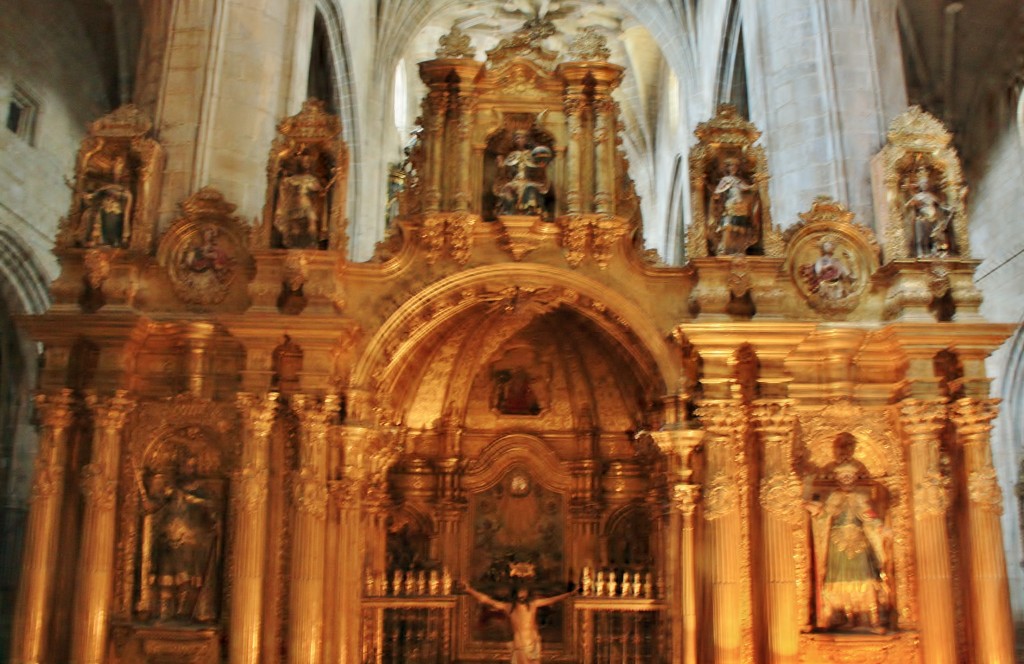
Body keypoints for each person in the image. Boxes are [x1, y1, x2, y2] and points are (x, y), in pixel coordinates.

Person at [805, 462, 890, 632]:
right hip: (837, 544)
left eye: (850, 477)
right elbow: (825, 515)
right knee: (838, 580)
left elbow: (869, 516)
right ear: (838, 479)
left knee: (866, 577)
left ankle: (873, 618)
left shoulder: (860, 498)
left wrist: (881, 527)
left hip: (859, 542)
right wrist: (816, 511)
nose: (847, 480)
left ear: (854, 479)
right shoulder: (834, 497)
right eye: (844, 477)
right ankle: (847, 617)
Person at [138, 453, 220, 622]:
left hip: (188, 539)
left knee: (185, 578)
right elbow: (155, 506)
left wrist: (191, 499)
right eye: (186, 466)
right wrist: (148, 505)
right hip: (167, 539)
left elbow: (211, 507)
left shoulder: (200, 490)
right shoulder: (171, 489)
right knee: (165, 577)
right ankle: (163, 612)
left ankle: (183, 612)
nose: (188, 469)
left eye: (192, 466)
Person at [463, 582, 573, 663]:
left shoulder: (533, 605)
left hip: (533, 641)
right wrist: (469, 590)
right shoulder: (508, 607)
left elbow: (552, 599)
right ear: (515, 594)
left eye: (524, 592)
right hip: (520, 643)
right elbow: (487, 600)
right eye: (520, 592)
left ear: (528, 594)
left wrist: (569, 594)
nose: (522, 595)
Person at [494, 130, 553, 217]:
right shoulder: (512, 155)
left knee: (530, 187)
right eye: (517, 138)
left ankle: (531, 210)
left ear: (527, 140)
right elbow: (505, 172)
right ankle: (508, 211)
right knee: (507, 188)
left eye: (523, 138)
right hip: (515, 181)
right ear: (514, 140)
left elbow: (538, 172)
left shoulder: (532, 154)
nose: (520, 140)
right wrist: (501, 165)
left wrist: (542, 166)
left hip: (528, 181)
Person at [275, 151, 326, 248]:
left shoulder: (312, 179)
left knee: (311, 226)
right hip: (293, 206)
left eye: (307, 162)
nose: (305, 164)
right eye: (303, 161)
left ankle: (311, 244)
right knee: (294, 228)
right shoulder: (291, 179)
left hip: (307, 205)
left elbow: (319, 191)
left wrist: (322, 191)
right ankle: (292, 245)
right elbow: (285, 188)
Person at [709, 157, 759, 255]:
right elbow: (718, 191)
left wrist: (756, 183)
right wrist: (715, 195)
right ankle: (724, 249)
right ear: (727, 168)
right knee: (728, 226)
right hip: (731, 205)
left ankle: (738, 249)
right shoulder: (725, 180)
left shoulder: (738, 180)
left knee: (741, 228)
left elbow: (746, 188)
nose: (734, 168)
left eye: (736, 166)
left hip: (741, 207)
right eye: (731, 165)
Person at [904, 165, 951, 257]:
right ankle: (922, 252)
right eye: (923, 184)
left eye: (926, 183)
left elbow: (941, 205)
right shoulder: (918, 196)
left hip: (934, 218)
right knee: (923, 236)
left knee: (937, 235)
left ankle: (937, 251)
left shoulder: (931, 196)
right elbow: (908, 205)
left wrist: (949, 209)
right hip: (924, 219)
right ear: (920, 185)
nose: (925, 185)